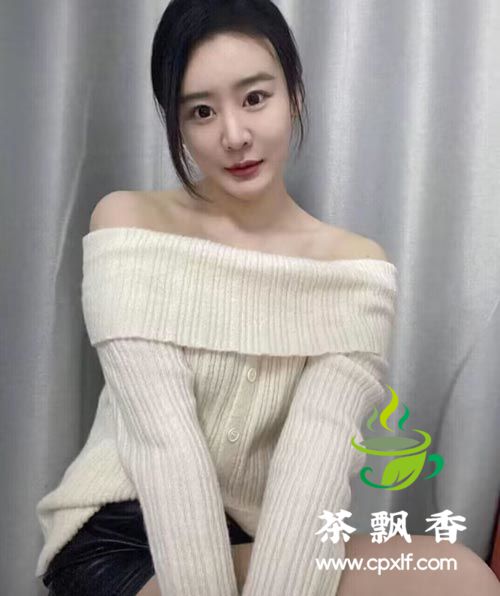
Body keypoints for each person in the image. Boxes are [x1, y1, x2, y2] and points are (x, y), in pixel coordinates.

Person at [35, 1, 500, 595]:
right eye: (202, 111)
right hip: (120, 533)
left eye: (255, 98)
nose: (234, 135)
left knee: (462, 577)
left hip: (262, 537)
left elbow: (314, 469)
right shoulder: (129, 223)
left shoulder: (354, 270)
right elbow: (164, 446)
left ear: (294, 94)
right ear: (177, 124)